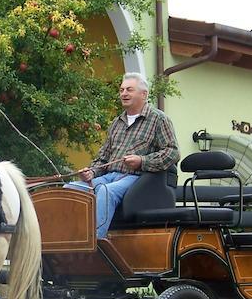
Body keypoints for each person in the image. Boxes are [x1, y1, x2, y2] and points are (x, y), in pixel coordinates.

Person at [68, 72, 179, 239]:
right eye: (121, 90)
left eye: (129, 89)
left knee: (106, 191)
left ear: (144, 94)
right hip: (109, 176)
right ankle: (66, 240)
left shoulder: (159, 120)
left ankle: (94, 243)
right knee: (70, 190)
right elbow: (103, 158)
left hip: (137, 179)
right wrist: (91, 172)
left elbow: (172, 152)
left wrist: (142, 161)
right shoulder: (116, 123)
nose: (124, 93)